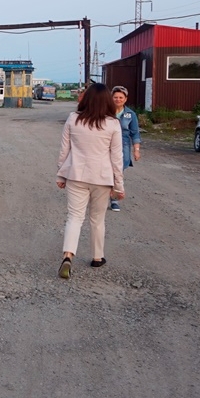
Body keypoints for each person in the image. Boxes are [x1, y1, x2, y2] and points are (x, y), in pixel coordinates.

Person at [55, 82, 125, 279]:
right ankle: (97, 257)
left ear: (86, 99)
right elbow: (116, 158)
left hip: (76, 175)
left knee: (75, 217)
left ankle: (68, 255)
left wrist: (60, 174)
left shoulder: (73, 119)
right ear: (107, 101)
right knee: (97, 219)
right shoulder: (113, 123)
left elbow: (64, 150)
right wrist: (118, 186)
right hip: (102, 178)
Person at [110, 85, 141, 212]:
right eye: (115, 97)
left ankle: (114, 199)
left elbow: (135, 133)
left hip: (123, 146)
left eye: (121, 97)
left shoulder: (130, 114)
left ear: (125, 99)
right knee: (105, 170)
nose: (118, 99)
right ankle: (100, 196)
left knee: (118, 172)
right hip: (106, 145)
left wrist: (136, 150)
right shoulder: (106, 111)